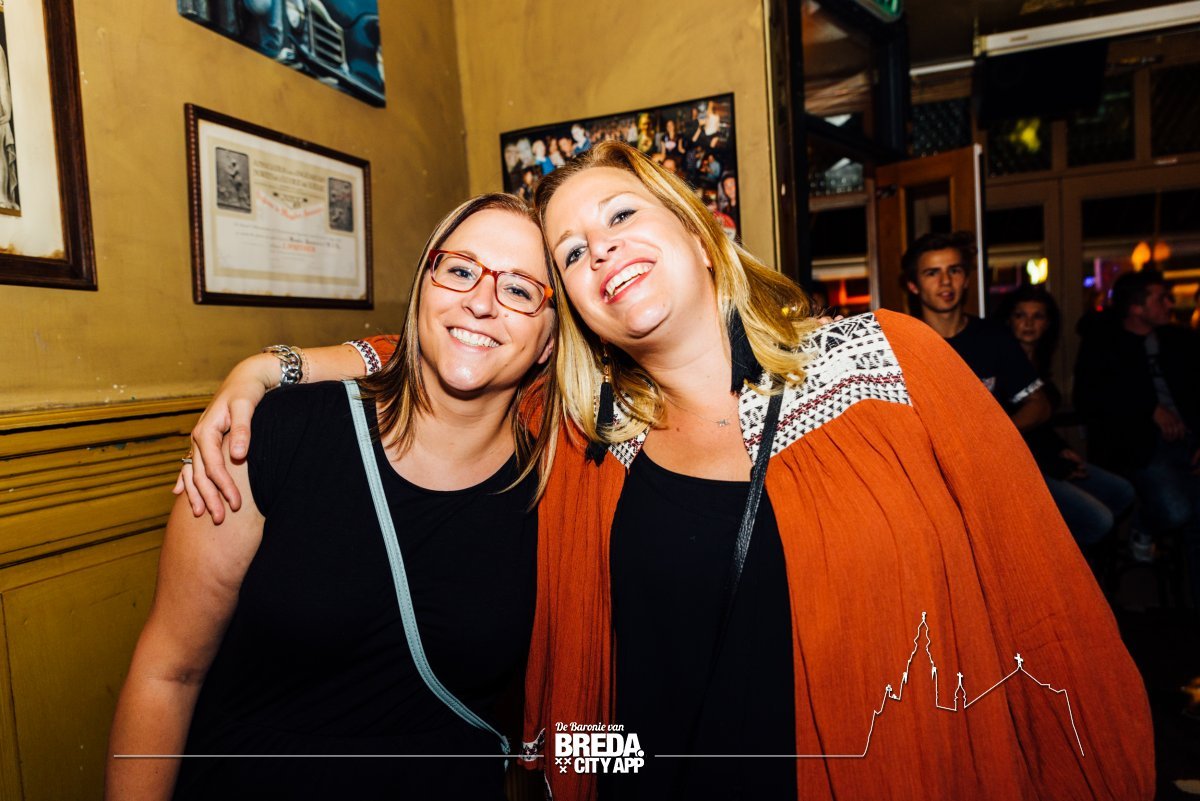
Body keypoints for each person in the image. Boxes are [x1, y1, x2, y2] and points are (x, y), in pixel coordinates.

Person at [180, 143, 1153, 801]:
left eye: (619, 214)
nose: (599, 248)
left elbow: (1045, 611)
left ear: (698, 229)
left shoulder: (891, 361)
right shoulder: (589, 429)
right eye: (571, 252)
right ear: (573, 310)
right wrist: (274, 368)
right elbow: (455, 339)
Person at [107, 194, 559, 801]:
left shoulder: (555, 487)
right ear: (422, 288)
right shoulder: (272, 433)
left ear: (550, 341)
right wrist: (263, 367)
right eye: (459, 270)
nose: (480, 301)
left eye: (521, 290)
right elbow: (169, 674)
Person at [1075, 268, 1200, 604]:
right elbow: (1090, 401)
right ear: (1136, 307)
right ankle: (1142, 528)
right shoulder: (1105, 345)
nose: (1169, 304)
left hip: (1187, 442)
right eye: (1160, 298)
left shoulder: (1179, 342)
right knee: (1177, 509)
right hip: (1137, 448)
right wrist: (1149, 409)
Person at [996, 285, 1134, 551]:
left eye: (1037, 316)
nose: (1028, 324)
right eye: (1020, 315)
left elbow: (1040, 426)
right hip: (1018, 467)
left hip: (1047, 457)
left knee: (1121, 491)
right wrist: (1055, 463)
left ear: (1048, 323)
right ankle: (1055, 557)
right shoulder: (998, 366)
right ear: (1009, 320)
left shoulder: (1041, 363)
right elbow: (1010, 432)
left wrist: (1061, 449)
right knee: (1098, 520)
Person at [901, 231, 1051, 434]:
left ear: (966, 279)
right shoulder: (901, 345)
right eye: (932, 273)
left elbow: (1039, 405)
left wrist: (994, 435)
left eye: (954, 270)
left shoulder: (994, 338)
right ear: (913, 285)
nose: (945, 281)